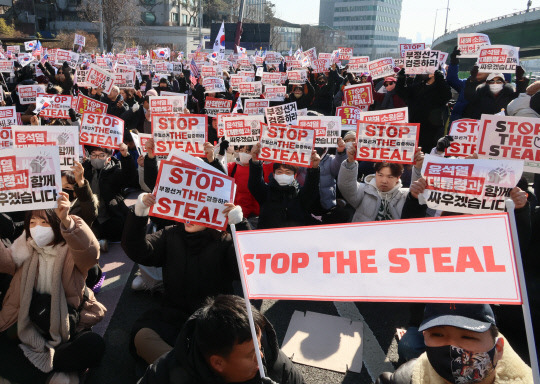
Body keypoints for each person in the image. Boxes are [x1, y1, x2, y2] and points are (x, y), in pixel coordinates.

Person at [121, 192, 249, 366]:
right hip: (172, 317)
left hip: (213, 321)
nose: (190, 215)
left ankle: (179, 369)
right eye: (187, 208)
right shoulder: (170, 235)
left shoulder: (224, 242)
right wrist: (140, 212)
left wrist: (240, 226)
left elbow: (247, 267)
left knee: (228, 351)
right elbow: (138, 250)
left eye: (197, 210)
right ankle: (187, 369)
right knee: (142, 337)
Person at [0, 193, 106, 384]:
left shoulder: (71, 252)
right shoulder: (21, 250)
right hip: (26, 328)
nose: (37, 228)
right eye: (32, 223)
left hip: (64, 330)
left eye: (44, 222)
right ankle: (57, 371)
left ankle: (42, 369)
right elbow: (3, 260)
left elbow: (91, 253)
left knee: (92, 345)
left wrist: (67, 221)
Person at [138, 294, 305, 384]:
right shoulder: (164, 373)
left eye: (259, 345)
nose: (261, 356)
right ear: (218, 363)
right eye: (250, 354)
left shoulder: (274, 362)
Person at [376, 303, 533, 384]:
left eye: (468, 337)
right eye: (437, 334)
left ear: (498, 348)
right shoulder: (404, 379)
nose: (452, 347)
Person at [337, 144, 423, 222]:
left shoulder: (405, 196)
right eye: (380, 175)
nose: (384, 181)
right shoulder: (364, 191)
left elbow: (417, 194)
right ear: (375, 174)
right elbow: (346, 185)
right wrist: (350, 162)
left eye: (390, 177)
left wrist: (418, 169)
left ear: (398, 178)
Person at [248, 143, 321, 229]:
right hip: (268, 239)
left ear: (294, 176)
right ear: (274, 174)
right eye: (279, 172)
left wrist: (314, 168)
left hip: (295, 238)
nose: (283, 175)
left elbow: (311, 187)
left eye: (288, 172)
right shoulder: (266, 192)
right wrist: (255, 161)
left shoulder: (300, 195)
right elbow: (255, 183)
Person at [82, 146, 137, 245]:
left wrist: (126, 156)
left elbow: (129, 177)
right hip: (91, 216)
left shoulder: (115, 170)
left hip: (112, 215)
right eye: (94, 155)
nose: (97, 158)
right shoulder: (85, 169)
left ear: (108, 157)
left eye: (101, 155)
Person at [396, 69, 452, 152]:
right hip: (415, 126)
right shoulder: (418, 86)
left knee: (428, 151)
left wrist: (439, 78)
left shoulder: (441, 87)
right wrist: (401, 77)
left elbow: (447, 95)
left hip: (432, 129)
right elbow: (402, 92)